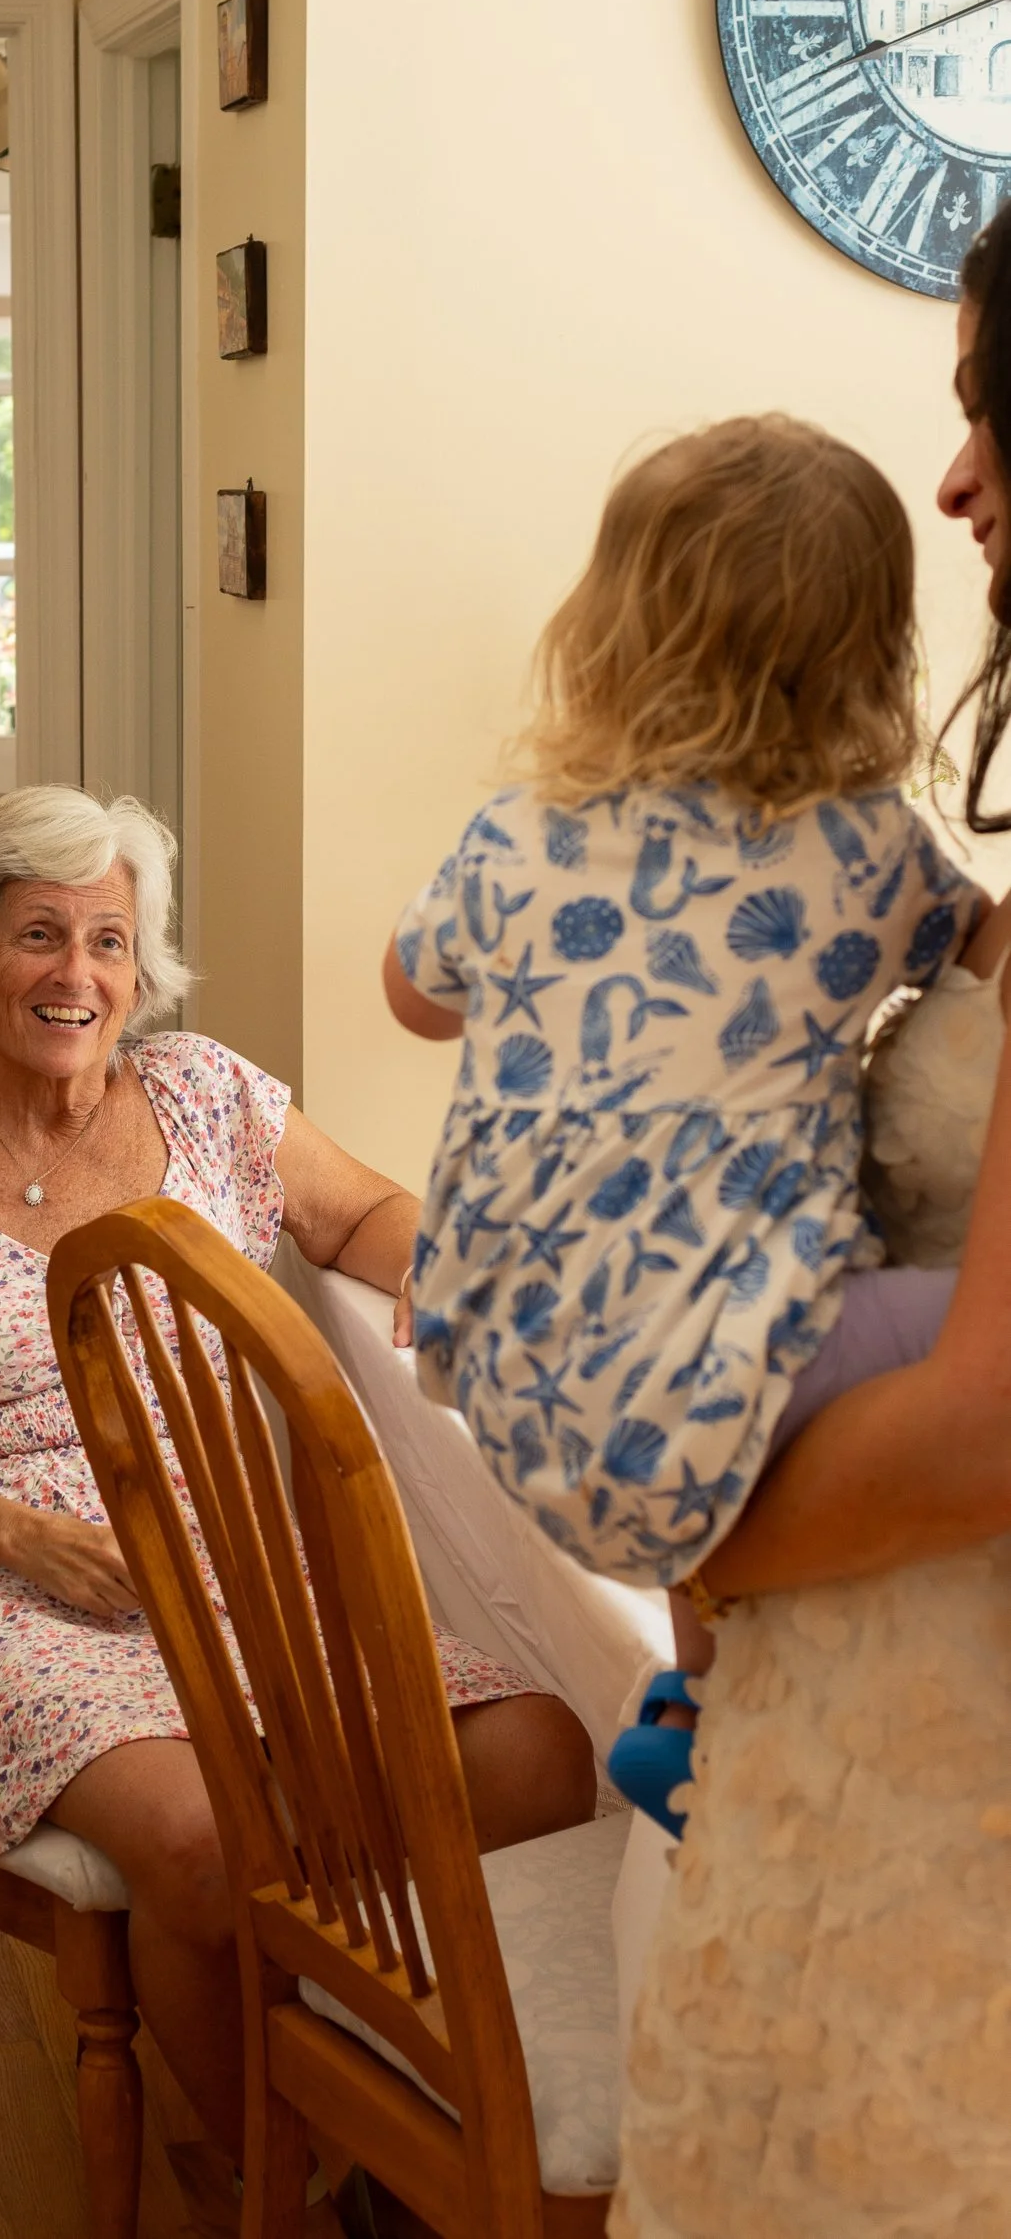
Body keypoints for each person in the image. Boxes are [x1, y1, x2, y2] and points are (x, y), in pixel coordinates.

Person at [0, 784, 597, 2166]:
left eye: (108, 940)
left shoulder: (205, 1093)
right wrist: (11, 1533)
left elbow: (365, 1210)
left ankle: (369, 2089)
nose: (77, 974)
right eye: (39, 935)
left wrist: (457, 1272)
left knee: (534, 1757)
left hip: (227, 1563)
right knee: (209, 1840)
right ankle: (267, 2175)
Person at [381, 415, 978, 1831]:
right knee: (941, 1321)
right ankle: (709, 1704)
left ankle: (688, 1700)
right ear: (869, 657)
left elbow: (412, 1000)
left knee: (682, 1298)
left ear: (610, 631)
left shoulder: (517, 832)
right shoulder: (873, 853)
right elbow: (973, 959)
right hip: (715, 1369)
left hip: (511, 1361)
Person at [609, 206, 1011, 2236]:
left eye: (985, 410)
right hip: (865, 1671)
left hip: (948, 1716)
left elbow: (991, 1412)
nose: (953, 477)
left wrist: (681, 1529)